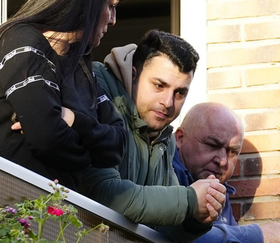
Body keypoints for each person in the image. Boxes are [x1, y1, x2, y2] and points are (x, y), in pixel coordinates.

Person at [0, 0, 128, 183]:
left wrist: (72, 119)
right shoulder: (20, 41)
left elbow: (118, 144)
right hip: (7, 206)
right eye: (110, 6)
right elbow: (48, 138)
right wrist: (89, 155)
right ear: (87, 2)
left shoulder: (80, 65)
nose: (113, 19)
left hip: (55, 212)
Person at [87, 30, 225, 230]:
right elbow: (105, 193)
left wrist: (200, 215)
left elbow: (165, 224)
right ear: (133, 74)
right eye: (159, 85)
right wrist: (190, 200)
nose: (168, 103)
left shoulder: (164, 137)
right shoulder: (96, 92)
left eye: (179, 93)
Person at [172, 102, 280, 243]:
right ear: (179, 138)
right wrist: (259, 238)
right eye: (212, 145)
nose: (223, 161)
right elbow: (181, 236)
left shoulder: (219, 190)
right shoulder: (163, 169)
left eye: (232, 152)